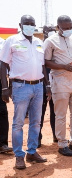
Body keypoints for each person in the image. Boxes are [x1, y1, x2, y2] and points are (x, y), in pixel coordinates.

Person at [0, 15, 50, 169]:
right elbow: (3, 65)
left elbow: (42, 67)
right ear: (20, 25)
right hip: (20, 86)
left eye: (32, 24)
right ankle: (19, 156)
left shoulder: (39, 42)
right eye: (26, 24)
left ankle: (32, 151)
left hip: (38, 86)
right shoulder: (12, 41)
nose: (29, 26)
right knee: (18, 123)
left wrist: (47, 84)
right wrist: (4, 87)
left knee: (36, 122)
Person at [44, 15, 72, 156]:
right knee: (61, 115)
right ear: (58, 27)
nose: (69, 30)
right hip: (60, 82)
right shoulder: (50, 41)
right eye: (65, 28)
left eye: (70, 27)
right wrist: (63, 67)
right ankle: (62, 143)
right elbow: (45, 62)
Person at [38, 25, 57, 148]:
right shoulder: (38, 46)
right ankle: (37, 138)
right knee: (40, 112)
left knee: (55, 112)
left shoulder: (56, 45)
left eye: (52, 30)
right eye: (48, 31)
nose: (50, 33)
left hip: (56, 83)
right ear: (43, 33)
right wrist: (46, 84)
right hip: (42, 84)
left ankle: (57, 135)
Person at [0, 37, 13, 154]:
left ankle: (2, 144)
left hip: (1, 82)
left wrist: (7, 86)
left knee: (2, 112)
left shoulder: (2, 42)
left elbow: (6, 63)